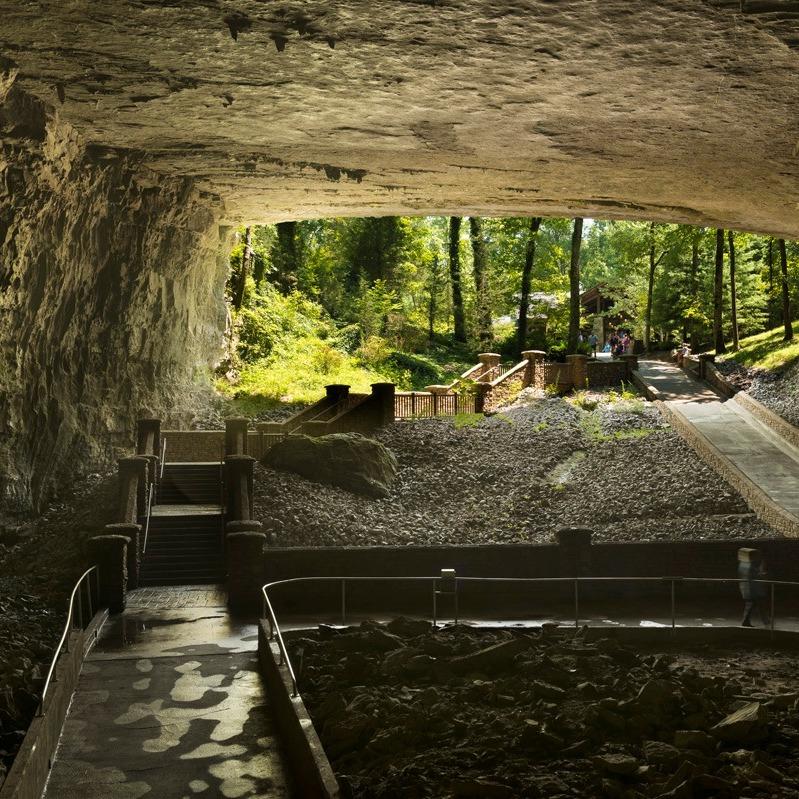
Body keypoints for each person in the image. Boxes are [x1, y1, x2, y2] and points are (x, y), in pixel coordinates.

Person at [738, 548, 770, 627]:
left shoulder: (742, 564)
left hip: (747, 588)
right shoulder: (750, 565)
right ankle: (766, 622)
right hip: (753, 589)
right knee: (758, 604)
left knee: (752, 605)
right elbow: (756, 575)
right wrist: (762, 572)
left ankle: (765, 621)